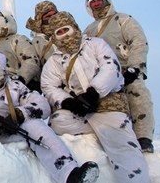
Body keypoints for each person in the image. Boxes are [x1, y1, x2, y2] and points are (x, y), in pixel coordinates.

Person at [0, 51, 100, 183]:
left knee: (36, 127)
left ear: (2, 69)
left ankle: (70, 174)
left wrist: (19, 114)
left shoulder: (15, 87)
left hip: (10, 134)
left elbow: (42, 104)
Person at [40, 11, 150, 183]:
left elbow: (110, 68)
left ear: (74, 27)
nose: (63, 36)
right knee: (56, 121)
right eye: (58, 33)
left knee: (123, 149)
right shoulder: (54, 60)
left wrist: (93, 93)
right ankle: (99, 131)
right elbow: (48, 85)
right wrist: (69, 102)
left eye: (65, 29)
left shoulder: (96, 45)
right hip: (79, 111)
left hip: (107, 104)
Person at [83, 0, 155, 153]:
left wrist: (134, 67)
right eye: (92, 2)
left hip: (125, 69)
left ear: (107, 1)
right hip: (103, 75)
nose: (96, 3)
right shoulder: (88, 30)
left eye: (99, 0)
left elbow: (138, 42)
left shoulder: (123, 20)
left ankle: (143, 138)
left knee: (137, 95)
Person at [0, 9, 40, 89]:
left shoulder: (17, 40)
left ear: (6, 21)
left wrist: (20, 79)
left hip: (11, 86)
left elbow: (31, 61)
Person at [25, 0, 59, 92]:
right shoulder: (36, 43)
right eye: (48, 16)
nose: (53, 18)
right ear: (40, 20)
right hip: (54, 88)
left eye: (55, 14)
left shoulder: (69, 33)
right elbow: (33, 68)